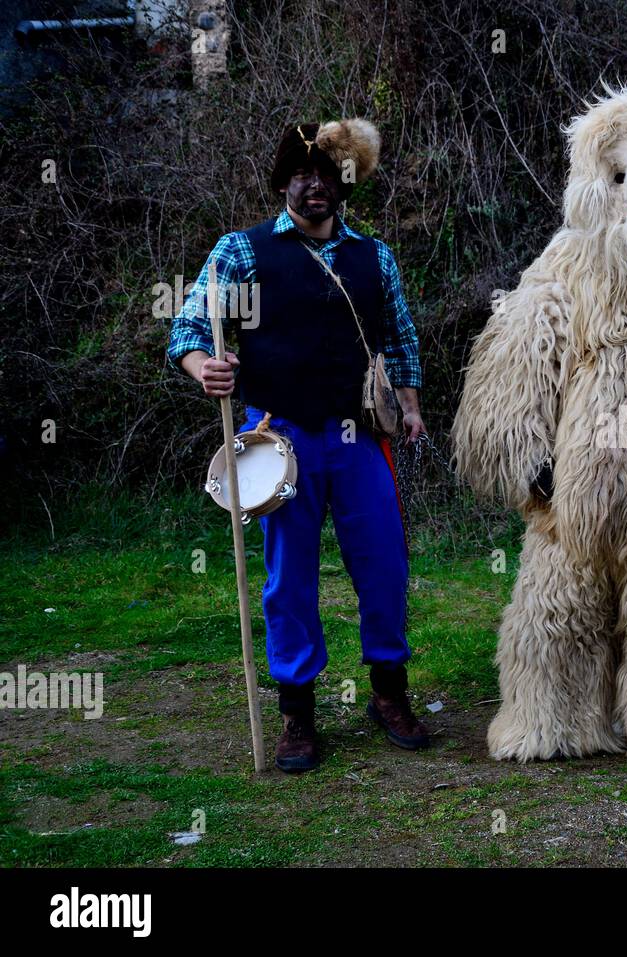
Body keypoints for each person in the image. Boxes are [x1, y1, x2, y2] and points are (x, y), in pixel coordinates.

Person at [167, 118, 430, 773]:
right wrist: (207, 368)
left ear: (345, 183)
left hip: (360, 438)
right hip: (277, 436)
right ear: (284, 180)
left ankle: (389, 693)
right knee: (290, 578)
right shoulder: (244, 252)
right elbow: (191, 327)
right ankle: (298, 715)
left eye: (326, 175)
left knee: (385, 567)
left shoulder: (375, 258)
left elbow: (399, 340)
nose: (314, 187)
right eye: (301, 175)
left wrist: (412, 406)